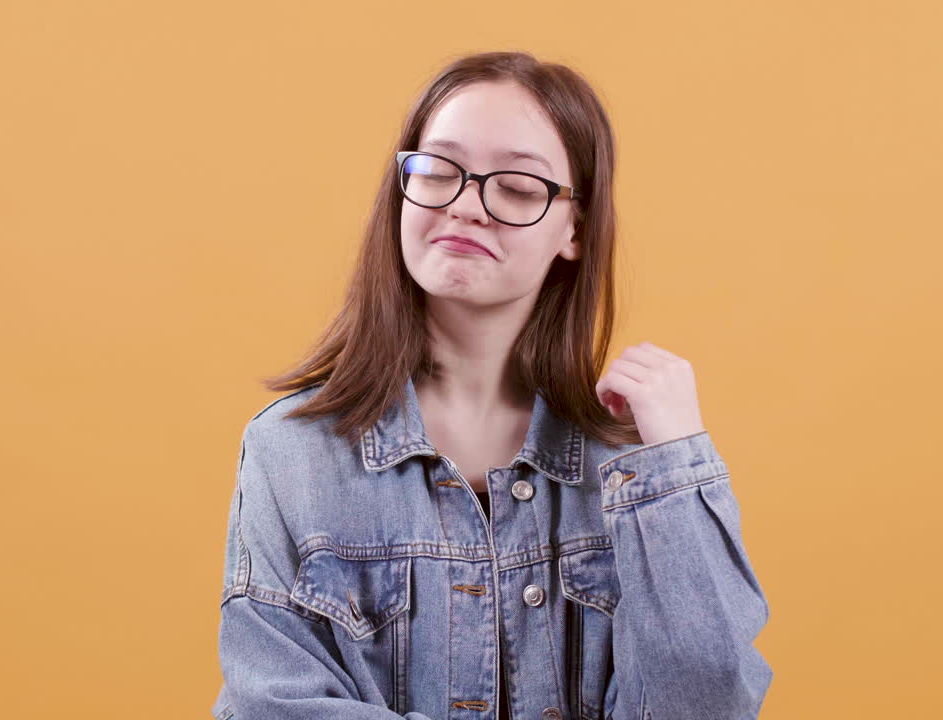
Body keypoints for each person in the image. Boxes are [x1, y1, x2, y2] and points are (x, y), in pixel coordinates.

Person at [211, 50, 772, 720]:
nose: (468, 206)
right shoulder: (290, 452)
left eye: (518, 187)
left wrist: (677, 467)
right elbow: (270, 706)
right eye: (439, 170)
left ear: (575, 227)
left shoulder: (635, 463)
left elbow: (708, 704)